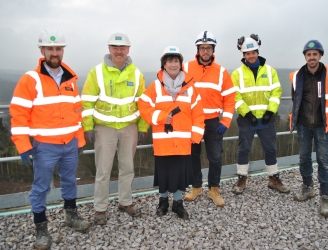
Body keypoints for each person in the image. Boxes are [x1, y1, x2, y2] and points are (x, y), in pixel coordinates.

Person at [9, 28, 90, 249]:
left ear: (62, 51)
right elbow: (18, 115)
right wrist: (24, 147)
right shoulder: (30, 79)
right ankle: (41, 229)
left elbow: (77, 113)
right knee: (40, 187)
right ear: (42, 50)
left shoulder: (70, 79)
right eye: (50, 49)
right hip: (45, 147)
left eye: (58, 49)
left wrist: (80, 141)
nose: (54, 53)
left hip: (70, 144)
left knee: (69, 182)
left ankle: (71, 216)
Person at [81, 32, 149, 225]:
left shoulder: (137, 74)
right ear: (109, 49)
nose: (119, 52)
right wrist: (88, 126)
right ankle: (100, 208)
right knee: (103, 169)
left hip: (129, 127)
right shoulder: (97, 72)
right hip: (104, 128)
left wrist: (143, 126)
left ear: (128, 49)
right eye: (115, 48)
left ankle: (125, 202)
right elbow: (86, 101)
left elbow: (142, 103)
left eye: (122, 48)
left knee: (128, 167)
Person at [138, 46, 204, 219]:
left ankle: (177, 203)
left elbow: (198, 113)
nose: (173, 64)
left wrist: (196, 136)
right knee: (164, 173)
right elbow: (143, 106)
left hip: (183, 142)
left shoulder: (190, 88)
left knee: (179, 175)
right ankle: (163, 202)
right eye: (169, 61)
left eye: (176, 61)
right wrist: (160, 116)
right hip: (163, 141)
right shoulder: (155, 87)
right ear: (164, 64)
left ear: (181, 64)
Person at [290, 40, 328, 217]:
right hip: (304, 125)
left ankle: (325, 197)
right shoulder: (298, 76)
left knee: (324, 162)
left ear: (320, 55)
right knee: (304, 158)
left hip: (323, 126)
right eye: (308, 54)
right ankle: (307, 187)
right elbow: (295, 98)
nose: (311, 57)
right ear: (305, 56)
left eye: (315, 54)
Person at [231, 34, 289, 195]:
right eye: (247, 53)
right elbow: (235, 97)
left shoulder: (270, 71)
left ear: (257, 52)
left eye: (253, 52)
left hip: (266, 118)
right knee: (244, 149)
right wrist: (247, 114)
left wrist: (270, 112)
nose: (251, 56)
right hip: (246, 119)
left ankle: (273, 179)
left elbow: (276, 92)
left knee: (270, 149)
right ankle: (242, 179)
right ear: (243, 55)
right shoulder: (236, 74)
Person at [183, 31, 236, 207]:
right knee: (193, 156)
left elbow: (229, 98)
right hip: (192, 121)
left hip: (214, 121)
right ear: (198, 50)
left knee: (215, 157)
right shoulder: (186, 67)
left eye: (208, 48)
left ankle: (214, 188)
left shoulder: (221, 72)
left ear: (213, 50)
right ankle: (196, 186)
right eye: (202, 48)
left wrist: (225, 121)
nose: (205, 51)